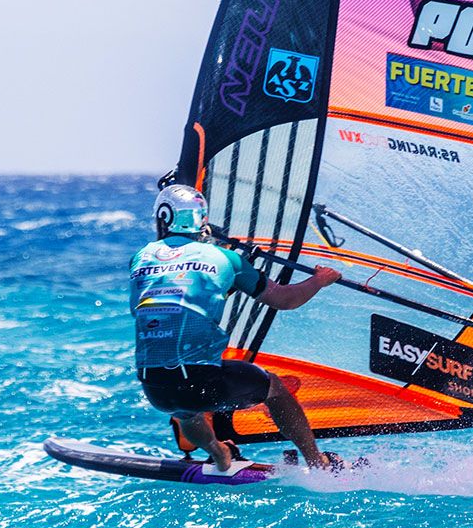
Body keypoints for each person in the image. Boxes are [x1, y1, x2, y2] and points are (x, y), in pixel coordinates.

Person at [130, 183, 341, 474]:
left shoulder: (141, 258)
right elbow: (285, 299)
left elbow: (166, 302)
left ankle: (220, 455)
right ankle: (318, 462)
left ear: (163, 218)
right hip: (202, 383)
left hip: (154, 387)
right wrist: (319, 280)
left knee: (186, 411)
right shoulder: (225, 259)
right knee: (275, 388)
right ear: (202, 220)